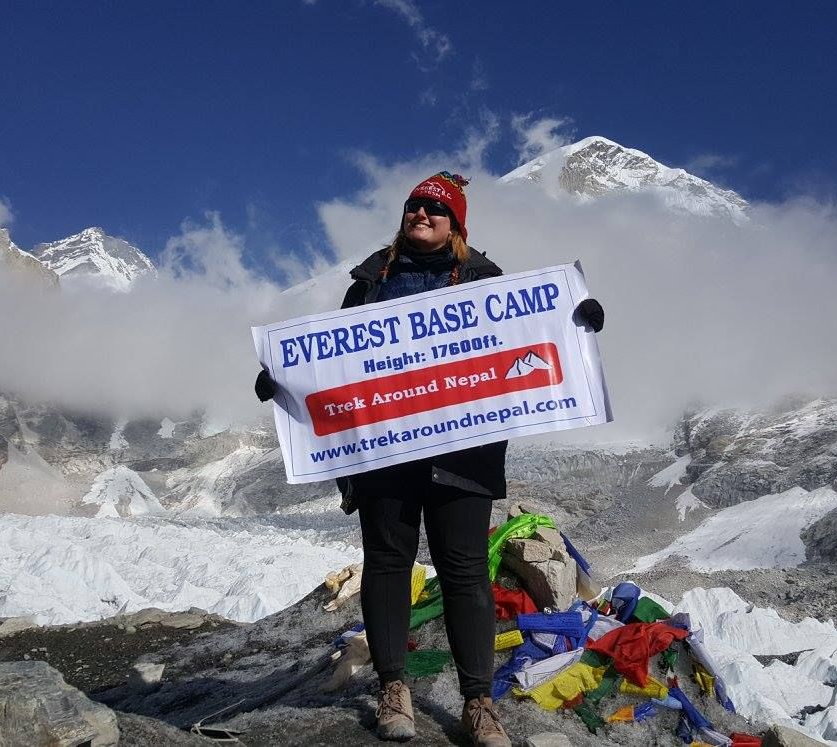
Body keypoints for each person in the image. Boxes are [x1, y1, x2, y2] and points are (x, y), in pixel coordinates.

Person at [256, 172, 604, 745]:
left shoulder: (487, 282)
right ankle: (394, 687)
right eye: (415, 205)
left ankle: (478, 703)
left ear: (456, 224)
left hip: (463, 452)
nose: (422, 213)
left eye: (436, 209)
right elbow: (329, 366)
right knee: (388, 562)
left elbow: (530, 337)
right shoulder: (367, 285)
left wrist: (577, 322)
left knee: (464, 570)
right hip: (384, 453)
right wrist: (281, 380)